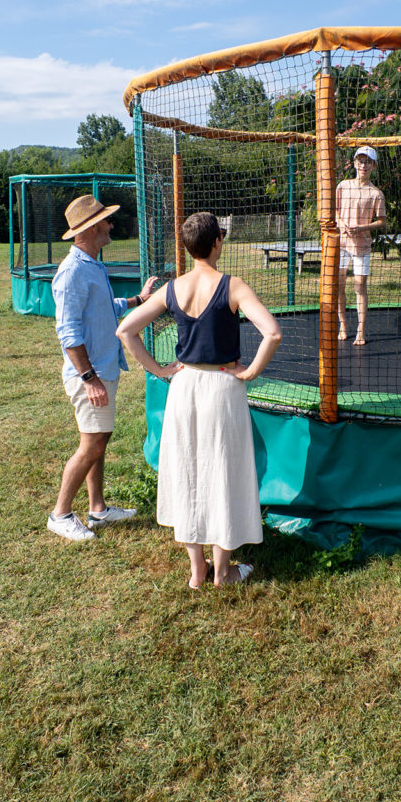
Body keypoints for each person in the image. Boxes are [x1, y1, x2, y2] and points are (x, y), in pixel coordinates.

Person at [117, 211, 282, 588]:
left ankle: (197, 571)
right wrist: (250, 372)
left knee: (187, 471)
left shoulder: (172, 289)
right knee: (226, 471)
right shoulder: (233, 285)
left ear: (188, 248)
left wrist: (159, 371)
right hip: (224, 387)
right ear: (217, 243)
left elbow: (126, 329)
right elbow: (272, 333)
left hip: (184, 387)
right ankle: (223, 572)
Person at [48, 194, 158, 542]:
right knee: (92, 444)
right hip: (91, 375)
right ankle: (61, 514)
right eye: (107, 221)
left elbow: (102, 306)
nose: (112, 225)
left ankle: (97, 509)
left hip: (102, 370)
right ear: (93, 227)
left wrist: (138, 300)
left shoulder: (91, 265)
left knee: (99, 440)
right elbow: (68, 332)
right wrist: (89, 379)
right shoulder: (72, 272)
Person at [336, 145, 387, 345]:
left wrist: (362, 227)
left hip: (362, 246)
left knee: (360, 286)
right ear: (354, 163)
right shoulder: (343, 185)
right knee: (339, 285)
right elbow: (334, 211)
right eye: (360, 161)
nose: (363, 165)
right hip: (341, 244)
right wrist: (342, 224)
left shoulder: (376, 194)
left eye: (367, 162)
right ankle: (343, 325)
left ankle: (360, 330)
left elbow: (382, 221)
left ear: (373, 165)